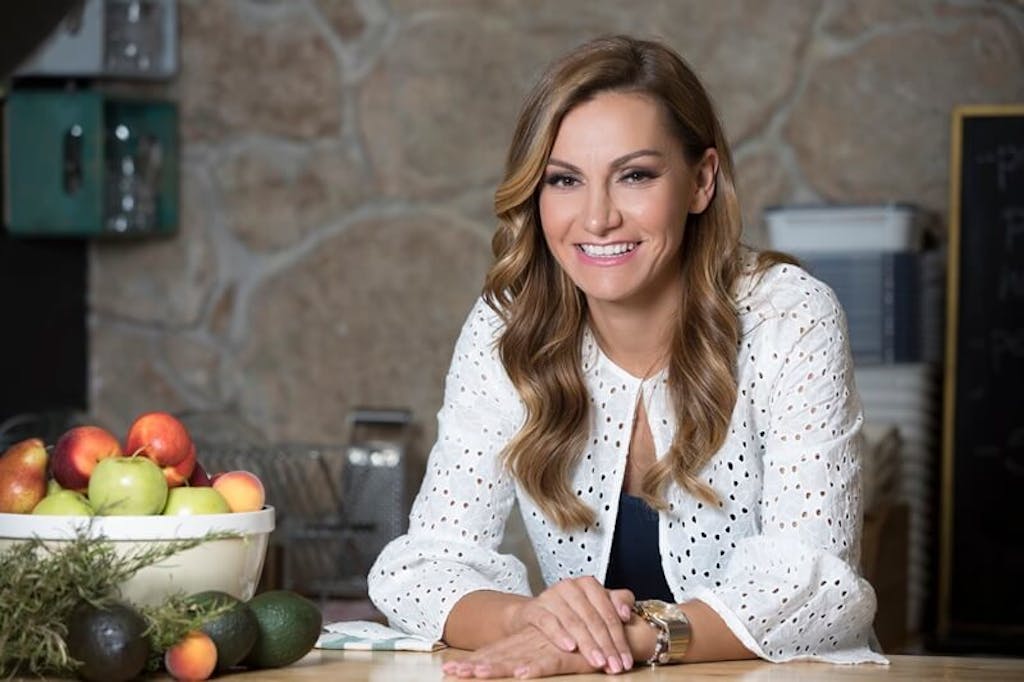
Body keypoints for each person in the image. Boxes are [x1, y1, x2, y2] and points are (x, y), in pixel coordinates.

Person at [368, 34, 887, 678]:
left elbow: (816, 586)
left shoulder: (789, 316)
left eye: (635, 175)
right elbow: (421, 566)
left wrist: (633, 637)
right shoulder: (509, 326)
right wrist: (530, 621)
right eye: (564, 180)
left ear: (701, 181)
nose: (597, 218)